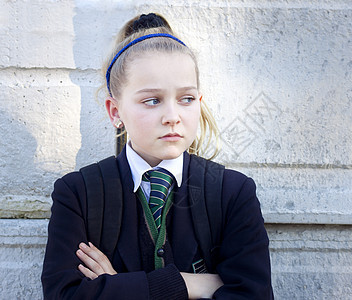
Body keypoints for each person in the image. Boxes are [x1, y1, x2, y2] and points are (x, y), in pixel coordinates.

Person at [41, 12, 273, 299]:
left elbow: (253, 295)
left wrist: (117, 287)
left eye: (186, 99)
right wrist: (191, 284)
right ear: (115, 112)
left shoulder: (233, 193)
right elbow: (64, 295)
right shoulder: (78, 194)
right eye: (152, 101)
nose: (172, 117)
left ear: (199, 102)